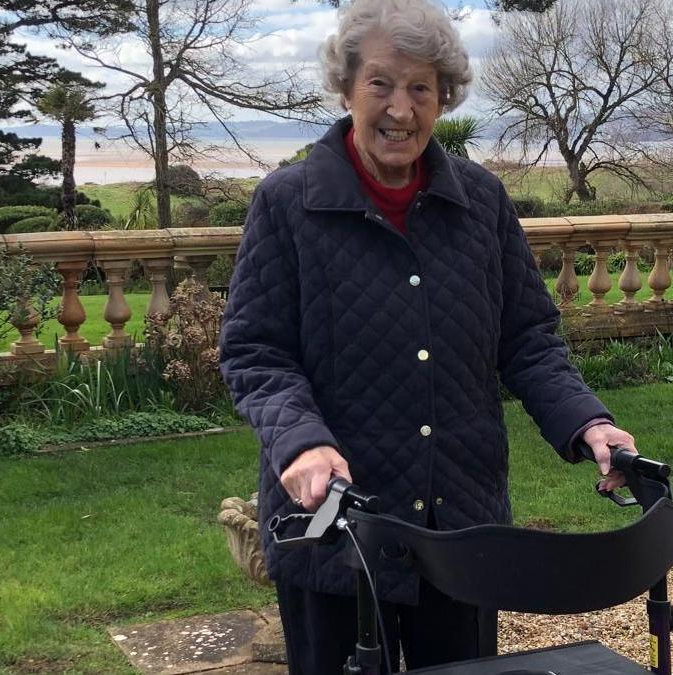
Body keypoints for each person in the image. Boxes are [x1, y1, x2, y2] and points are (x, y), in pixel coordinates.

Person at [218, 0, 638, 671]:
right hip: (336, 530)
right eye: (381, 83)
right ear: (347, 87)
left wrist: (588, 422)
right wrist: (302, 442)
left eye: (422, 89)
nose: (401, 109)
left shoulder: (482, 202)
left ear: (444, 97)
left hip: (462, 532)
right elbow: (254, 351)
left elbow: (528, 339)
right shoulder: (287, 204)